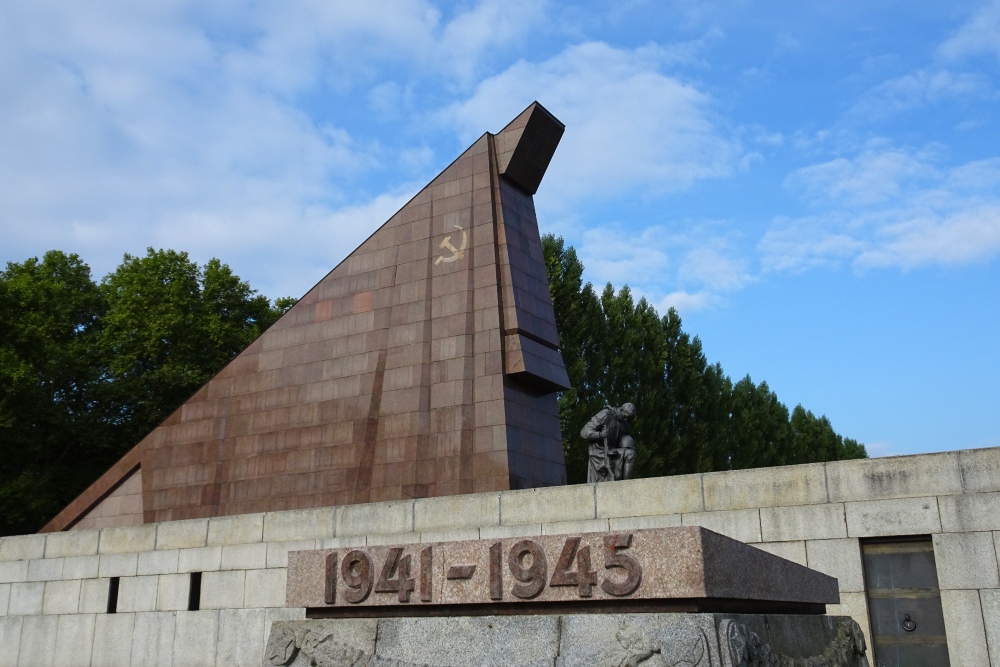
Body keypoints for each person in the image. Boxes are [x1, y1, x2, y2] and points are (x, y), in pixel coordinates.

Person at [580, 403, 637, 483]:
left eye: (629, 418)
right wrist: (599, 434)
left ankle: (627, 486)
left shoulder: (624, 423)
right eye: (626, 416)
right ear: (620, 410)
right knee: (630, 454)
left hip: (613, 451)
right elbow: (584, 432)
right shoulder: (605, 415)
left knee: (630, 454)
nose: (627, 420)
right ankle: (626, 486)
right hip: (599, 453)